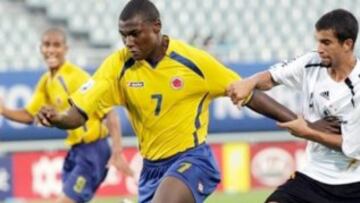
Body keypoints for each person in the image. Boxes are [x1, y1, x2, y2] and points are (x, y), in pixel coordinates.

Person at [35, 1, 338, 203]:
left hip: (192, 160)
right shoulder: (118, 66)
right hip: (151, 171)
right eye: (123, 36)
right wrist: (57, 118)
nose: (128, 42)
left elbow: (246, 93)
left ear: (156, 27)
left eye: (135, 34)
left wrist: (306, 126)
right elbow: (79, 114)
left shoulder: (192, 62)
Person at [228, 9, 360, 203]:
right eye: (318, 41)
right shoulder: (311, 62)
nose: (319, 48)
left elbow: (353, 147)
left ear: (347, 44)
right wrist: (250, 81)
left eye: (326, 42)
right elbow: (271, 78)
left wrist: (307, 131)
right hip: (313, 176)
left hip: (353, 184)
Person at [0, 28, 133, 203]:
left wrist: (117, 151)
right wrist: (3, 110)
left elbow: (109, 112)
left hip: (94, 150)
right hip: (76, 151)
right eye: (47, 45)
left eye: (56, 45)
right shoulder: (46, 81)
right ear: (41, 48)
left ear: (66, 49)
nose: (51, 50)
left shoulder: (76, 76)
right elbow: (28, 115)